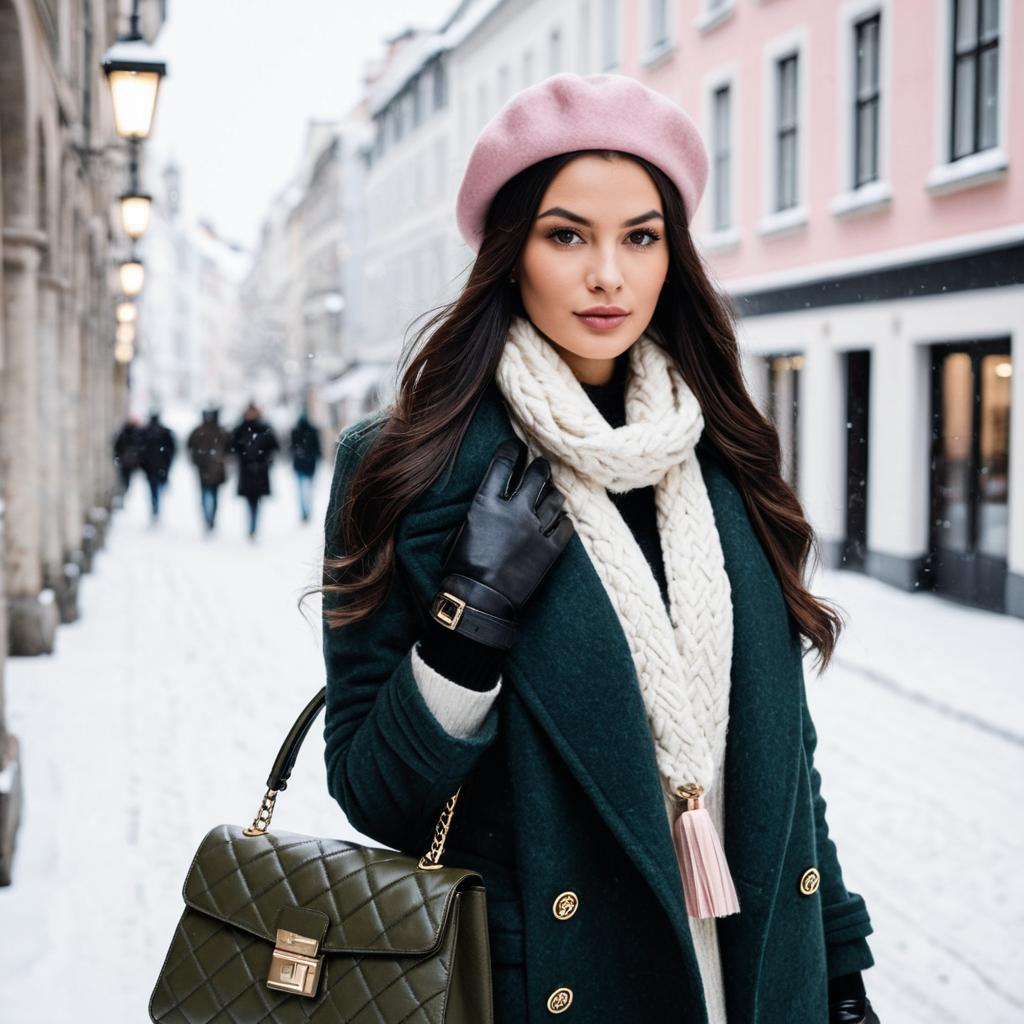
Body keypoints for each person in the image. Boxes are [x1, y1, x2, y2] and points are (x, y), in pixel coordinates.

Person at [319, 74, 878, 1024]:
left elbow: (782, 751)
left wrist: (836, 965)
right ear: (512, 252)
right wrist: (467, 629)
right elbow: (376, 792)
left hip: (751, 975)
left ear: (674, 256)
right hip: (556, 986)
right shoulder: (409, 466)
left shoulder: (724, 451)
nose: (608, 274)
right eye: (567, 234)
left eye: (641, 237)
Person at [230, 402, 279, 539]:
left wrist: (264, 461)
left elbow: (274, 447)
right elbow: (233, 447)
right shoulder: (240, 429)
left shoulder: (264, 429)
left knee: (255, 502)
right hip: (246, 472)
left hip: (260, 473)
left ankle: (253, 528)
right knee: (249, 502)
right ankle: (251, 528)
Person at [187, 407, 232, 532]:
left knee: (208, 495)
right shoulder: (219, 431)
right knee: (211, 495)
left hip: (209, 470)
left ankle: (209, 520)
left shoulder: (202, 431)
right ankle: (209, 520)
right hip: (208, 469)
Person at [138, 410, 176, 523]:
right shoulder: (165, 432)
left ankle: (155, 508)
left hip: (151, 467)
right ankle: (155, 508)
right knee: (157, 487)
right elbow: (172, 450)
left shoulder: (145, 432)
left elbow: (140, 450)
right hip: (160, 466)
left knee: (153, 489)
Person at [288, 408, 323, 523]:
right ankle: (306, 512)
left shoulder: (298, 431)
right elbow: (317, 449)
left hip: (305, 465)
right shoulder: (311, 431)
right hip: (306, 465)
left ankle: (306, 512)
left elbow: (292, 448)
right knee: (306, 491)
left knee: (303, 491)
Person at [112, 415, 143, 495]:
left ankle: (125, 492)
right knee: (126, 480)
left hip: (127, 462)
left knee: (125, 480)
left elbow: (117, 447)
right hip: (129, 462)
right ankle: (125, 492)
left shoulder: (126, 433)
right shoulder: (135, 434)